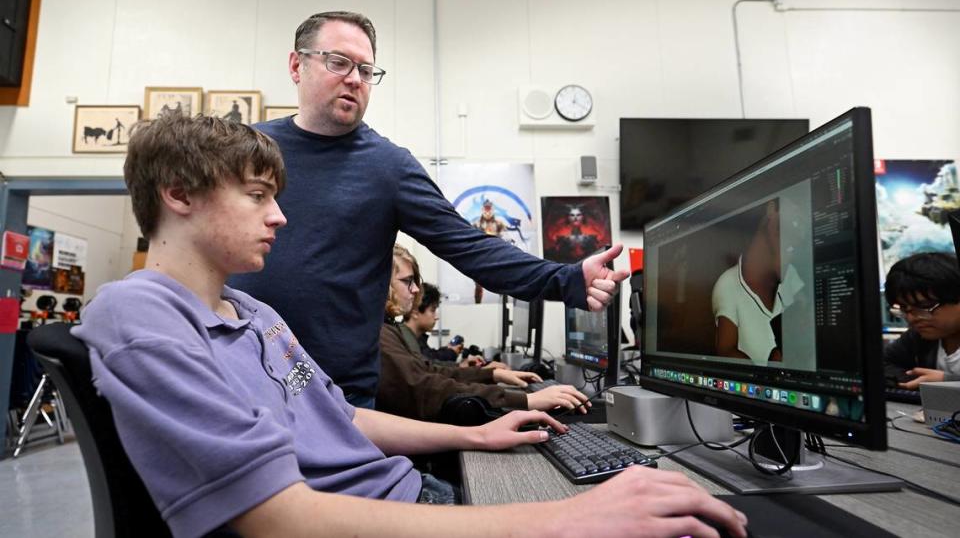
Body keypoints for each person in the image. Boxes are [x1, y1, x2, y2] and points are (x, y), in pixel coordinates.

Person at [73, 113, 747, 537]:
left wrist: (473, 432)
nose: (279, 217)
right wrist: (564, 520)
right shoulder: (140, 316)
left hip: (405, 489)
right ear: (179, 194)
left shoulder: (253, 313)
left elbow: (339, 416)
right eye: (257, 198)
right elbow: (278, 516)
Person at [228, 11, 629, 409]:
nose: (354, 78)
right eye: (338, 62)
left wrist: (567, 279)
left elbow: (470, 246)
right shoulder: (247, 149)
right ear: (297, 65)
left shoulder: (389, 167)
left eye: (366, 70)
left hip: (338, 397)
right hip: (235, 380)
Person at [378, 245, 591, 421]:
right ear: (381, 283)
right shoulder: (380, 335)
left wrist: (492, 374)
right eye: (408, 281)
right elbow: (426, 388)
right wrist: (526, 401)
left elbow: (429, 371)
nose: (416, 289)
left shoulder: (388, 329)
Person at [711, 199, 803, 364]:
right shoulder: (728, 284)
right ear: (771, 210)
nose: (797, 235)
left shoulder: (791, 276)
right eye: (791, 223)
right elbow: (726, 351)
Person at [883, 252, 960, 389]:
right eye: (904, 308)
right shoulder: (919, 335)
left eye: (925, 306)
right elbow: (880, 363)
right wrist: (918, 380)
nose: (912, 318)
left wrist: (949, 382)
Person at [402, 281, 502, 369]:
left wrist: (461, 365)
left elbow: (431, 363)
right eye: (432, 310)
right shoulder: (404, 341)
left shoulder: (414, 338)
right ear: (415, 312)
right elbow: (428, 367)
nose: (436, 317)